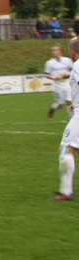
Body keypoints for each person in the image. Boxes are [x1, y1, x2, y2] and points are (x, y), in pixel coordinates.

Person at [51, 37, 79, 201]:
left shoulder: (77, 64)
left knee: (65, 150)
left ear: (72, 51)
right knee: (69, 148)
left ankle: (65, 192)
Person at [44, 45, 73, 118]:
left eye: (55, 50)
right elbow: (47, 75)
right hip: (58, 86)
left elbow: (73, 69)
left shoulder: (67, 60)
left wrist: (68, 74)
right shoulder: (49, 63)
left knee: (70, 102)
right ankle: (52, 109)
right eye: (53, 50)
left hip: (67, 84)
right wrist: (54, 77)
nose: (54, 52)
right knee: (60, 105)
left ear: (60, 51)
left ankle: (71, 120)